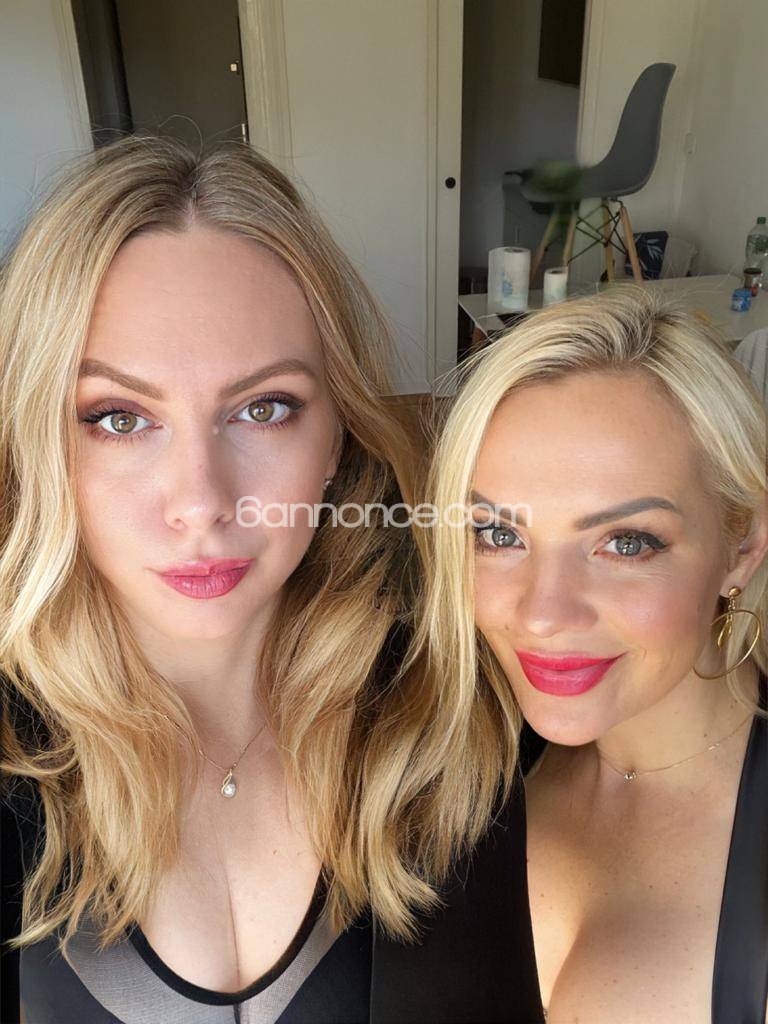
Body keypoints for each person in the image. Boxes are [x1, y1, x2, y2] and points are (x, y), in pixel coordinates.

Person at [0, 135, 542, 1024]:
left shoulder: (451, 711)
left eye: (264, 408)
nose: (201, 502)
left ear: (335, 438)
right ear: (38, 446)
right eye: (119, 418)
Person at [421, 288, 768, 1023]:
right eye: (498, 534)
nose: (543, 615)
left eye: (626, 543)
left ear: (742, 546)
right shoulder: (450, 757)